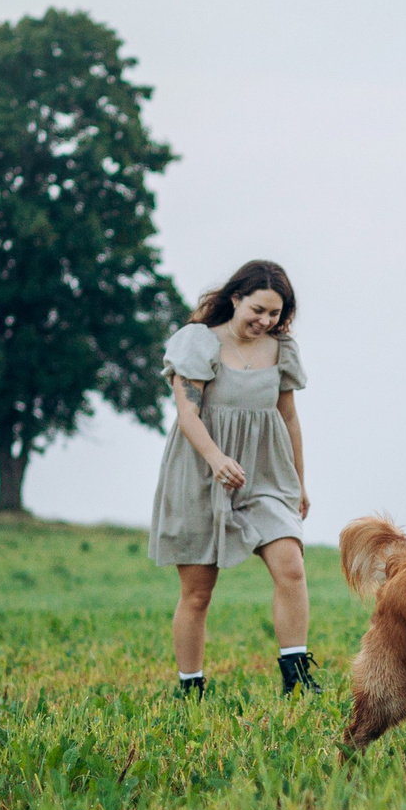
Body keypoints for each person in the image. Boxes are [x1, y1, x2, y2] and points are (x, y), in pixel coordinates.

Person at [148, 259, 315, 698]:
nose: (264, 321)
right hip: (201, 471)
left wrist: (299, 482)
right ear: (235, 298)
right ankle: (192, 688)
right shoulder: (197, 343)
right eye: (257, 310)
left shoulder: (282, 351)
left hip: (265, 475)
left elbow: (289, 417)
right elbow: (188, 412)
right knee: (198, 593)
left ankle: (296, 678)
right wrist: (216, 458)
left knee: (291, 566)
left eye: (274, 314)